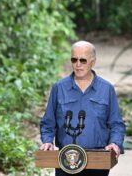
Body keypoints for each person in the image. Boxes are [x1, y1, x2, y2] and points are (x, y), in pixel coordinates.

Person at [39, 40, 126, 176]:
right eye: (74, 60)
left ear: (93, 62)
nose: (78, 65)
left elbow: (117, 124)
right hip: (66, 160)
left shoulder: (106, 89)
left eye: (83, 60)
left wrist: (115, 143)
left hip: (98, 160)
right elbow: (48, 123)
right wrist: (47, 141)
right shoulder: (59, 88)